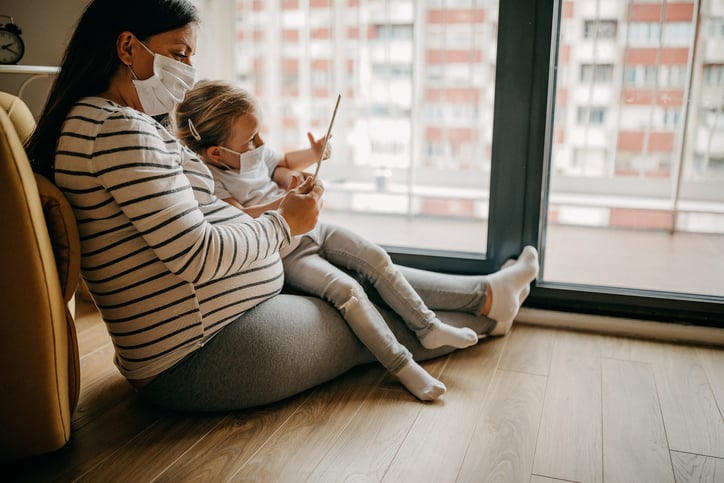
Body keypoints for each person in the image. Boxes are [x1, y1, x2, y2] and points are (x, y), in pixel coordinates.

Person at [26, 0, 539, 411]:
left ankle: (489, 299)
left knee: (357, 279)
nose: (187, 70)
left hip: (217, 326)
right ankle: (491, 308)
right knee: (362, 312)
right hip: (201, 353)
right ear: (126, 47)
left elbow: (188, 227)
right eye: (179, 54)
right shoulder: (117, 132)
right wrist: (283, 223)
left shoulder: (105, 123)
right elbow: (197, 255)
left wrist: (278, 224)